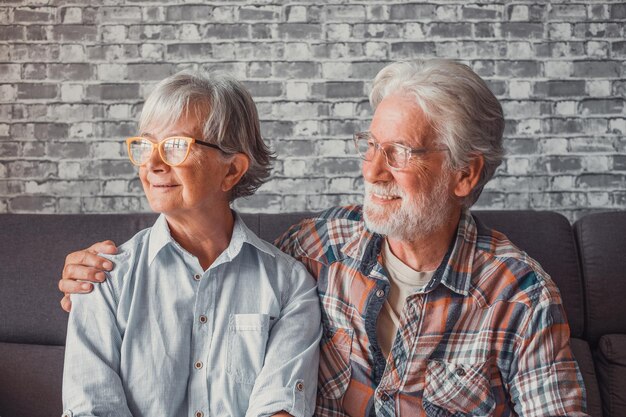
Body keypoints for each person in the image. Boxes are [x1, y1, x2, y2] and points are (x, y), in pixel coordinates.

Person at [60, 60, 588, 416]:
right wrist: (91, 277)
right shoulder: (319, 250)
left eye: (400, 152)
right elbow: (218, 259)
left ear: (464, 175)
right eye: (371, 144)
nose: (372, 170)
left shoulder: (520, 297)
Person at [60, 70, 321, 417]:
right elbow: (92, 409)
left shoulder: (289, 285)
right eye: (147, 145)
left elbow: (279, 409)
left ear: (232, 171)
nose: (152, 164)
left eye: (175, 146)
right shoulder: (102, 279)